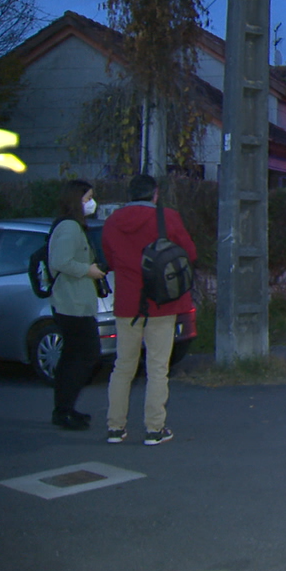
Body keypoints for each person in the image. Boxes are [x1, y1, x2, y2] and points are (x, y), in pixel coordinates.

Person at [102, 174, 197, 446]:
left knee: (123, 367)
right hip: (162, 302)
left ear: (129, 194)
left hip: (127, 304)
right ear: (155, 194)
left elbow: (109, 258)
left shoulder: (112, 222)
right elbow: (188, 252)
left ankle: (115, 427)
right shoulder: (167, 218)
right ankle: (154, 429)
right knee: (157, 368)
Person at [47, 179, 107, 431]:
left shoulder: (72, 226)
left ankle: (64, 409)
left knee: (72, 357)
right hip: (72, 304)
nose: (91, 203)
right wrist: (88, 270)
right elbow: (61, 261)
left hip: (75, 302)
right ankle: (64, 409)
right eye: (87, 198)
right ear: (76, 200)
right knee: (85, 355)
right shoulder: (70, 227)